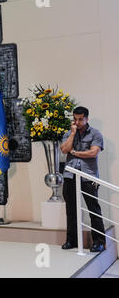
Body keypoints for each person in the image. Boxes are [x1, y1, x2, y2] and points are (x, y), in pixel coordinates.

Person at [60, 106, 106, 252]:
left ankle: (99, 242)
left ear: (87, 119)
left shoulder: (95, 134)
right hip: (70, 175)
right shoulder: (69, 133)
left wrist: (75, 152)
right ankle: (72, 240)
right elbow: (64, 150)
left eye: (80, 119)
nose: (77, 122)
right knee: (71, 210)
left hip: (88, 176)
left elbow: (93, 153)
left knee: (93, 209)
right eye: (75, 119)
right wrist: (73, 134)